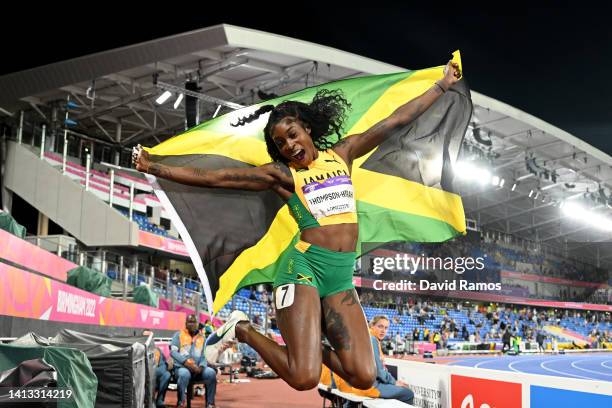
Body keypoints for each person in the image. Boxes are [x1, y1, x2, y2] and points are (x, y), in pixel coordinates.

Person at [134, 60, 462, 392]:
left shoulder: (342, 153)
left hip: (340, 277)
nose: (289, 146)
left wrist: (442, 84)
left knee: (363, 376)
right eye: (280, 144)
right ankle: (243, 329)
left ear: (306, 128)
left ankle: (307, 348)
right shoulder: (283, 174)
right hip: (302, 268)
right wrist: (155, 166)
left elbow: (396, 119)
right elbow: (217, 177)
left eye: (292, 135)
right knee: (303, 377)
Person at [170, 314, 217, 408]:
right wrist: (186, 363)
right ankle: (181, 402)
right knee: (184, 374)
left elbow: (204, 355)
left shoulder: (202, 338)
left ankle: (210, 403)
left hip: (198, 369)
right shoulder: (178, 335)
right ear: (186, 323)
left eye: (193, 322)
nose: (191, 324)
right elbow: (173, 352)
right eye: (189, 322)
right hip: (182, 368)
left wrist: (202, 366)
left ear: (197, 323)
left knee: (211, 373)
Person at [368, 315, 415, 404]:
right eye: (380, 326)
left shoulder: (368, 337)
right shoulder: (372, 340)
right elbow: (379, 371)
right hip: (371, 386)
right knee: (408, 393)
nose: (383, 331)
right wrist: (394, 382)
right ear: (372, 326)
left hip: (362, 384)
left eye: (386, 328)